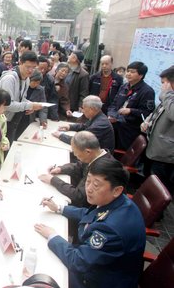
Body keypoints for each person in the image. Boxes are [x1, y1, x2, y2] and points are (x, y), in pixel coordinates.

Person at [35, 157, 146, 288]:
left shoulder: (111, 230)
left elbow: (78, 261)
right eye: (88, 181)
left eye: (96, 185)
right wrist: (59, 208)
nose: (89, 188)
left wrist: (52, 236)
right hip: (96, 262)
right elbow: (92, 215)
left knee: (43, 272)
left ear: (117, 190)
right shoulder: (118, 201)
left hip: (100, 280)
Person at [39, 131, 114, 208]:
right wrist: (60, 169)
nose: (74, 154)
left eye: (75, 152)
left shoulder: (102, 169)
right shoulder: (96, 155)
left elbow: (79, 196)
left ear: (87, 152)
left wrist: (53, 180)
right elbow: (79, 166)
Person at [0, 51, 43, 143]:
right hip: (0, 121)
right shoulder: (9, 79)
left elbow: (21, 99)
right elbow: (7, 105)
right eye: (28, 67)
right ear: (20, 63)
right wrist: (29, 106)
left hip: (12, 121)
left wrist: (30, 104)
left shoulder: (27, 79)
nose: (30, 70)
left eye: (33, 68)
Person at [141, 65, 174, 194]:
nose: (162, 86)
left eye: (164, 82)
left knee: (160, 189)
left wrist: (167, 94)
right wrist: (147, 121)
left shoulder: (168, 96)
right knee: (149, 180)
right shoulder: (168, 97)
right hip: (154, 148)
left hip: (165, 154)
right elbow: (158, 111)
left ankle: (157, 213)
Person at [108, 61, 155, 150]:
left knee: (121, 155)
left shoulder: (147, 91)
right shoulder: (124, 86)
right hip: (115, 126)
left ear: (141, 75)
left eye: (132, 72)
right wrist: (111, 115)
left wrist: (131, 111)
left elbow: (147, 113)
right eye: (128, 71)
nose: (128, 74)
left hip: (130, 131)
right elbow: (114, 104)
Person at [37, 56, 59, 121]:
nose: (42, 71)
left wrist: (54, 115)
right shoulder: (28, 78)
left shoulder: (50, 80)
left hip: (44, 109)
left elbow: (53, 99)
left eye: (45, 69)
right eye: (40, 68)